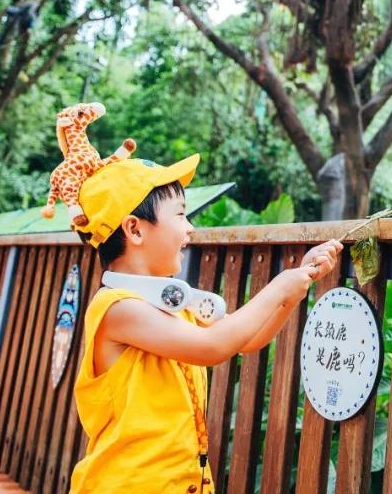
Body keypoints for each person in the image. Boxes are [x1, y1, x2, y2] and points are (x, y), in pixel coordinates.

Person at [65, 151, 342, 493]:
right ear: (135, 229)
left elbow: (247, 339)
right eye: (181, 214)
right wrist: (279, 287)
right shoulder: (118, 308)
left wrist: (296, 285)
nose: (190, 227)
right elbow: (212, 346)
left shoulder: (168, 304)